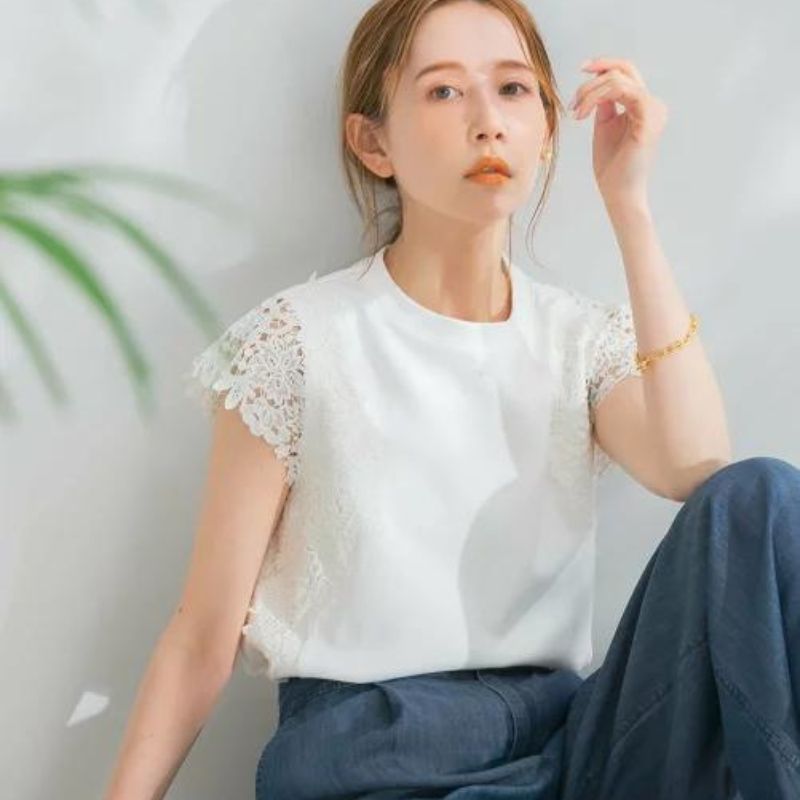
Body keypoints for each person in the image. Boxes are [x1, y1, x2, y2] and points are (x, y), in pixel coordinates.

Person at [102, 1, 800, 799]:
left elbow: (695, 468)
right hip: (375, 760)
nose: (487, 122)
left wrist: (628, 204)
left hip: (565, 749)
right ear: (374, 142)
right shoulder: (295, 344)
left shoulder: (579, 340)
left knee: (762, 497)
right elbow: (202, 638)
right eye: (443, 91)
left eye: (513, 90)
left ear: (546, 130)